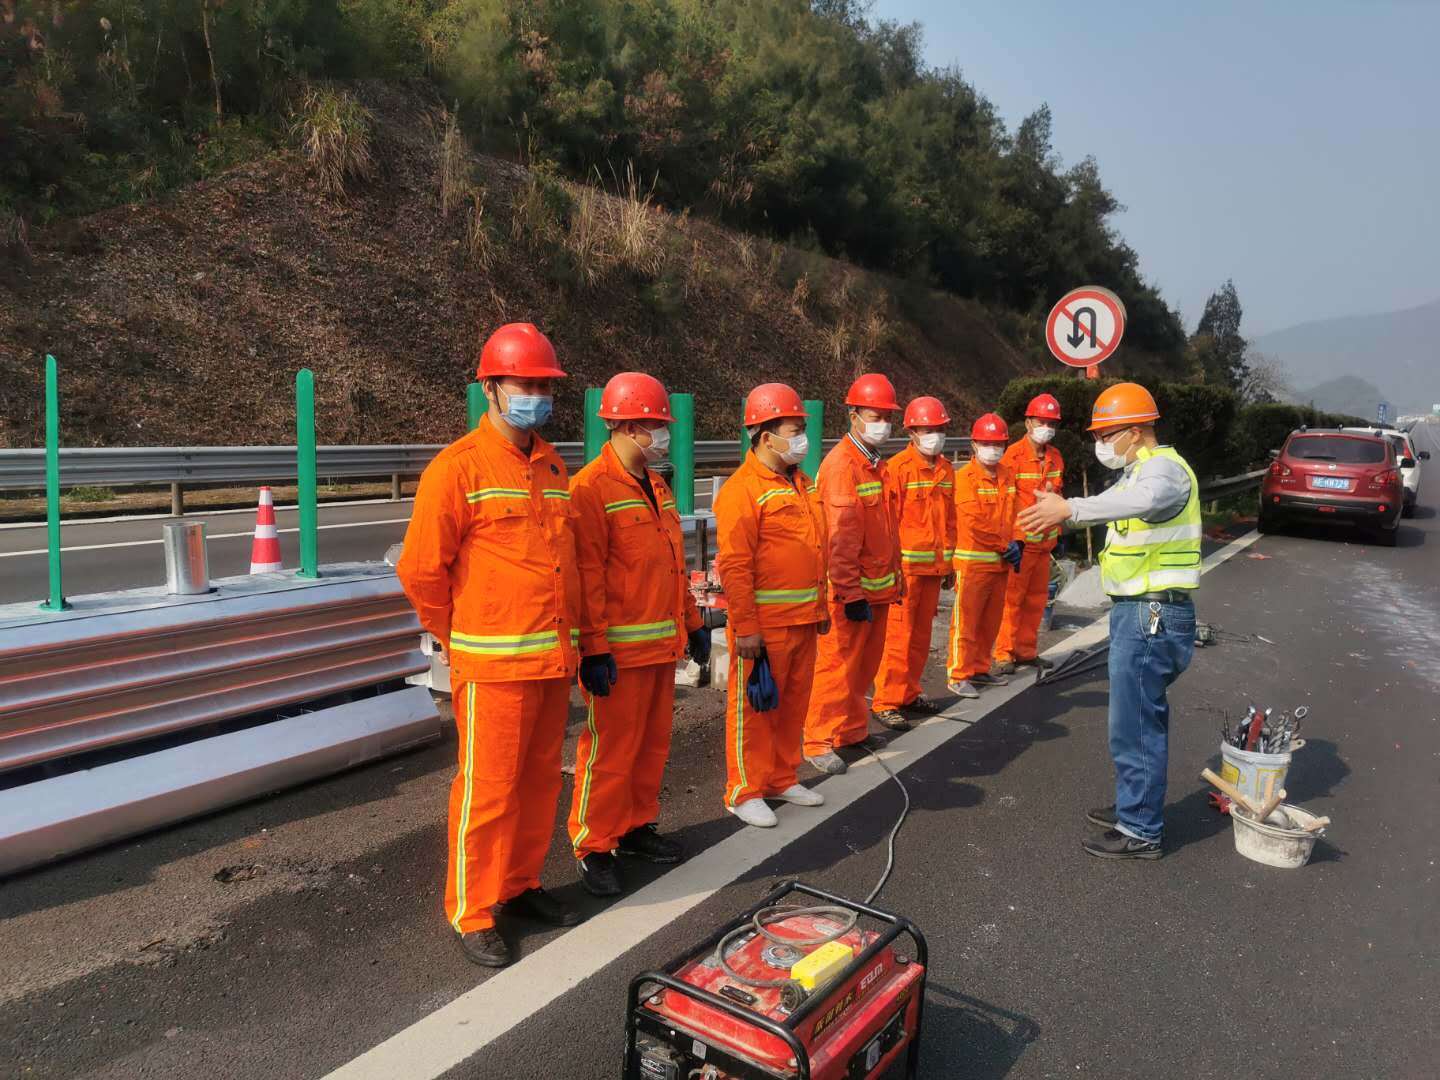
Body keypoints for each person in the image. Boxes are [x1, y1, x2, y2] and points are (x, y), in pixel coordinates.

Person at [396, 322, 582, 968]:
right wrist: (458, 635)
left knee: (538, 785)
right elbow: (422, 570)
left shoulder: (552, 465)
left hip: (550, 660)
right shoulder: (458, 470)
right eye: (524, 382)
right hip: (494, 665)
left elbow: (566, 564)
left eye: (542, 384)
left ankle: (520, 884)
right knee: (489, 789)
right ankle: (473, 908)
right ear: (490, 388)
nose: (535, 393)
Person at [1019, 382, 1200, 860]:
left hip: (1152, 613)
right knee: (1131, 721)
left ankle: (1140, 829)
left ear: (1137, 431)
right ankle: (1132, 807)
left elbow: (1136, 503)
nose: (1102, 444)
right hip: (1139, 612)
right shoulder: (1140, 469)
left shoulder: (1164, 472)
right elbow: (1119, 504)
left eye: (1109, 433)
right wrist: (1064, 513)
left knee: (1137, 723)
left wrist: (1071, 509)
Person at [567, 372, 707, 897]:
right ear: (623, 425)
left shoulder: (657, 483)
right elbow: (587, 577)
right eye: (651, 426)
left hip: (659, 646)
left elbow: (672, 566)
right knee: (609, 751)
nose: (661, 434)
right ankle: (593, 844)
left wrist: (693, 625)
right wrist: (594, 649)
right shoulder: (590, 490)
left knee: (650, 747)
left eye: (660, 425)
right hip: (618, 654)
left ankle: (633, 828)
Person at [714, 383, 831, 829]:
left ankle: (783, 776)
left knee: (793, 705)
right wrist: (745, 627)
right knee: (754, 711)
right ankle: (744, 789)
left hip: (803, 620)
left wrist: (820, 610)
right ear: (766, 437)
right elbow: (737, 566)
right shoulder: (743, 491)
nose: (802, 438)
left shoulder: (801, 484)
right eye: (794, 430)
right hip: (764, 627)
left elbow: (815, 549)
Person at [803, 373, 904, 775]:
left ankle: (851, 730)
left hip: (878, 587)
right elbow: (840, 538)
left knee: (865, 666)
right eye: (874, 415)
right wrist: (849, 592)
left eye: (886, 416)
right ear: (853, 415)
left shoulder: (874, 465)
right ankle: (818, 739)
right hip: (853, 592)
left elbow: (886, 529)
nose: (882, 422)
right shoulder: (842, 466)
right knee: (837, 666)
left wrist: (896, 578)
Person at [871, 396, 957, 731]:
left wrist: (948, 563)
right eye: (928, 429)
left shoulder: (947, 470)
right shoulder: (898, 469)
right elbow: (889, 523)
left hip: (933, 571)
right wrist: (892, 568)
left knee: (920, 637)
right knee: (898, 638)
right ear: (912, 432)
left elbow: (950, 521)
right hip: (906, 572)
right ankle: (887, 701)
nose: (935, 434)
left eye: (939, 428)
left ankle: (908, 693)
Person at [946, 413, 1020, 699]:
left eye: (998, 443)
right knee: (966, 622)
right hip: (973, 563)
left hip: (999, 565)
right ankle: (958, 673)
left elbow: (1016, 514)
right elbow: (974, 522)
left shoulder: (1007, 476)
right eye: (987, 443)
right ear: (974, 444)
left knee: (989, 622)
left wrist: (1017, 543)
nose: (993, 448)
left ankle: (978, 667)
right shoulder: (964, 479)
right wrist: (1006, 546)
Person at [993, 393, 1065, 675]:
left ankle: (1026, 651)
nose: (1046, 427)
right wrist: (1009, 539)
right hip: (1021, 543)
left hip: (1044, 543)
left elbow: (1058, 497)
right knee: (1012, 601)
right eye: (1041, 421)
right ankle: (1004, 653)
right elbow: (1004, 501)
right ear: (1027, 422)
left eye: (1051, 422)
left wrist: (1058, 534)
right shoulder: (1012, 456)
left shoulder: (1056, 458)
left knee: (1036, 601)